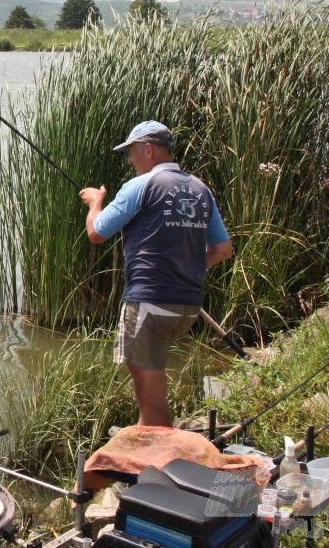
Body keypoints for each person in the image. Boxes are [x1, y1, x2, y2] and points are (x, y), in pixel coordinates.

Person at [79, 121, 233, 427]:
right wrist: (183, 267)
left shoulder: (140, 186)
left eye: (131, 153)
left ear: (147, 149)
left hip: (148, 305)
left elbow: (96, 232)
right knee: (150, 403)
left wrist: (95, 203)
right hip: (187, 308)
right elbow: (223, 249)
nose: (129, 160)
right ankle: (145, 449)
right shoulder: (200, 188)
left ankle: (156, 466)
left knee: (153, 409)